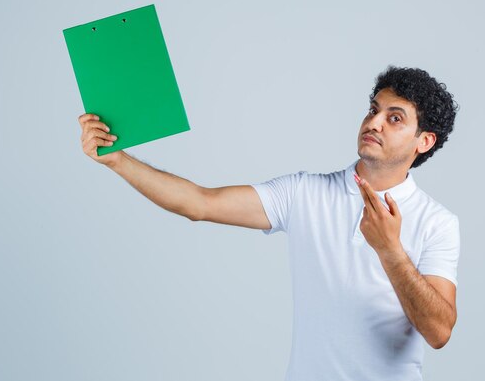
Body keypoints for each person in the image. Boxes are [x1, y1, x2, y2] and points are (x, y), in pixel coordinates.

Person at [77, 65, 461, 381]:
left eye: (394, 118)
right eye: (373, 109)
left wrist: (390, 250)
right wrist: (118, 161)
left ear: (423, 142)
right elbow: (198, 203)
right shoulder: (304, 194)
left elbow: (439, 331)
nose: (374, 122)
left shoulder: (437, 222)